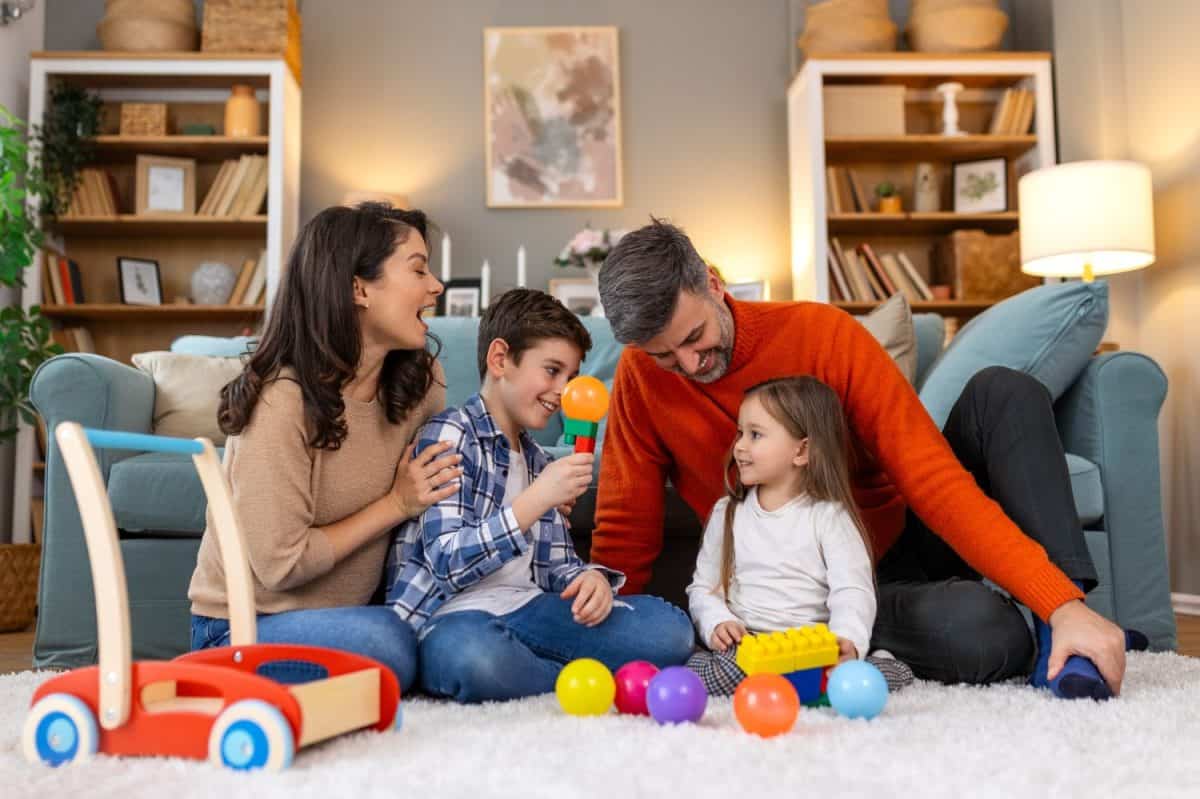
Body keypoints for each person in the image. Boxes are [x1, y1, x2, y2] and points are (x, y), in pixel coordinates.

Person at [593, 218, 1134, 699]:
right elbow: (627, 525)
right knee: (987, 636)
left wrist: (1058, 600)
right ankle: (1024, 626)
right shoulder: (641, 383)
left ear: (713, 282)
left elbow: (932, 478)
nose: (688, 364)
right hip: (809, 602)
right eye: (664, 355)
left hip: (897, 543)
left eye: (695, 337)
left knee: (1005, 392)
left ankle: (1067, 623)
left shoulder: (823, 334)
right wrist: (612, 635)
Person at [188, 203, 461, 692]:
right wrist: (396, 504)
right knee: (392, 645)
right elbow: (280, 565)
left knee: (449, 637)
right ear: (358, 288)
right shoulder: (282, 401)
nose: (436, 285)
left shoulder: (421, 381)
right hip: (242, 628)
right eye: (418, 269)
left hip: (355, 619)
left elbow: (450, 483)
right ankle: (206, 676)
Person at [386, 288, 695, 703]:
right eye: (551, 371)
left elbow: (555, 568)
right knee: (474, 659)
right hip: (454, 618)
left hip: (528, 610)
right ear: (500, 360)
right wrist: (535, 500)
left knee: (670, 631)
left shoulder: (537, 459)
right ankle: (575, 677)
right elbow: (446, 562)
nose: (562, 391)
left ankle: (540, 672)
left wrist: (589, 580)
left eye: (570, 378)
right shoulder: (451, 434)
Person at [686, 376, 913, 695]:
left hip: (810, 650)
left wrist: (848, 640)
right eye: (740, 433)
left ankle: (880, 662)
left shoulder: (829, 516)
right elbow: (704, 588)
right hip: (748, 647)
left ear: (802, 451)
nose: (739, 446)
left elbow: (852, 590)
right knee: (706, 674)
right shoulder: (728, 512)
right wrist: (716, 623)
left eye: (755, 435)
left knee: (848, 685)